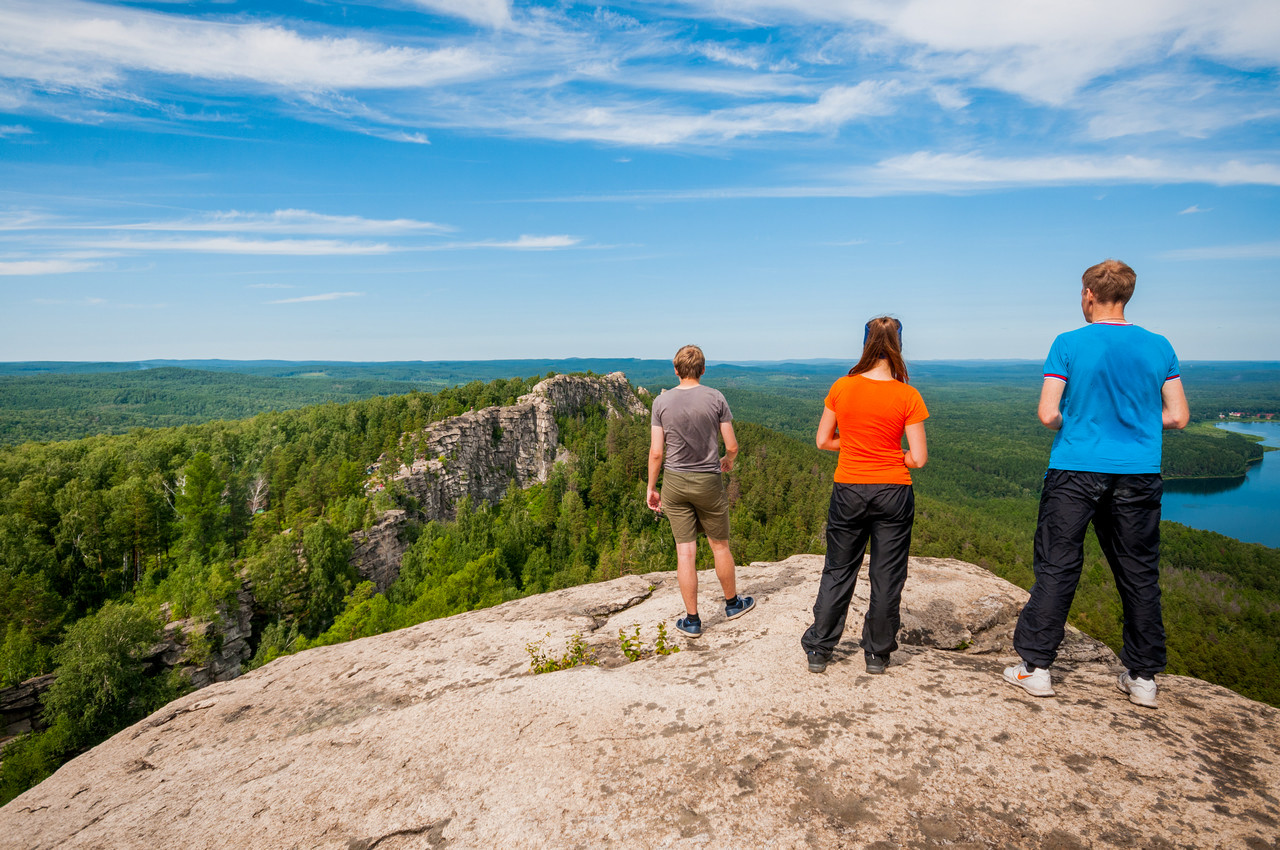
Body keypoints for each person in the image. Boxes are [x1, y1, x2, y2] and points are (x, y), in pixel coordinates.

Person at [1003, 259, 1189, 708]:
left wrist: (1087, 423)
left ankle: (1036, 668)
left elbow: (1049, 414)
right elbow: (1179, 416)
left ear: (1088, 293)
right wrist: (1135, 425)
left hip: (1076, 468)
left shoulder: (1068, 343)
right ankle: (1143, 677)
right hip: (1140, 471)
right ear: (1127, 295)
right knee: (1138, 571)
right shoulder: (1159, 345)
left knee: (1058, 564)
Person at [801, 317, 928, 674]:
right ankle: (877, 654)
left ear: (865, 344)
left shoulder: (842, 387)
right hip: (893, 491)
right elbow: (917, 458)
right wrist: (890, 452)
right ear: (899, 346)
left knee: (839, 570)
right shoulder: (908, 394)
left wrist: (855, 443)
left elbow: (823, 440)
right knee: (887, 575)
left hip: (849, 489)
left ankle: (820, 648)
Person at [647, 344, 755, 638]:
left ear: (676, 370)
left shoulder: (661, 402)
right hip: (708, 480)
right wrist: (727, 461)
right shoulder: (715, 397)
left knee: (685, 553)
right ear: (703, 369)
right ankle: (732, 604)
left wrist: (651, 487)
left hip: (675, 482)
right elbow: (732, 446)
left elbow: (657, 452)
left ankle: (692, 621)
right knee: (719, 545)